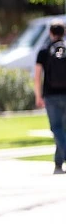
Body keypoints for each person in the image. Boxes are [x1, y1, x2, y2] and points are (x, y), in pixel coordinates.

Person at [34, 19, 66, 175]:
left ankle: (63, 158)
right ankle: (58, 164)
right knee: (63, 130)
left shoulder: (44, 50)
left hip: (51, 95)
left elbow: (37, 75)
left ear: (50, 33)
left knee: (57, 129)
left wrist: (38, 95)